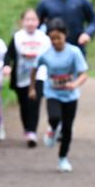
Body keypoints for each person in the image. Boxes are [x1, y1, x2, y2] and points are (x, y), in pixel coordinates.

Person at [29, 18, 88, 172]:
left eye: (58, 38)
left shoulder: (74, 52)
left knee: (68, 129)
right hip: (53, 92)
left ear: (65, 36)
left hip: (71, 95)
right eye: (52, 38)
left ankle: (63, 159)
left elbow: (83, 74)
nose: (56, 41)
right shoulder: (45, 54)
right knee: (54, 117)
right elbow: (34, 69)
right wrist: (32, 88)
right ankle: (52, 129)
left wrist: (74, 84)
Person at [5, 9, 51, 147]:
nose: (30, 23)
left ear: (38, 22)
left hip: (39, 75)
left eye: (33, 19)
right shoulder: (17, 37)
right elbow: (9, 54)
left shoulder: (44, 38)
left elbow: (50, 56)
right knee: (24, 104)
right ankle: (27, 129)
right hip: (21, 75)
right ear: (22, 22)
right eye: (27, 19)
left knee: (34, 102)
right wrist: (6, 66)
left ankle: (32, 132)